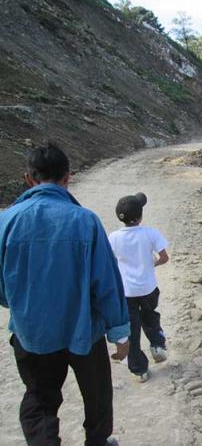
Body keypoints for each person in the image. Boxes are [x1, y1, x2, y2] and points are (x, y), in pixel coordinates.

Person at [0, 143, 130, 446]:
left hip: (32, 333)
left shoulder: (5, 222)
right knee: (97, 395)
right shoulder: (85, 221)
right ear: (67, 177)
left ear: (29, 178)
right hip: (84, 330)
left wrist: (19, 304)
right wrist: (120, 332)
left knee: (40, 399)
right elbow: (106, 282)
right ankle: (98, 442)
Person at [109, 192, 169, 382]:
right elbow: (164, 257)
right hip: (148, 288)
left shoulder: (113, 238)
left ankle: (139, 370)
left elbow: (110, 263)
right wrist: (153, 264)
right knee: (151, 316)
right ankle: (157, 345)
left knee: (132, 330)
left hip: (126, 293)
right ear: (140, 216)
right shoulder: (150, 233)